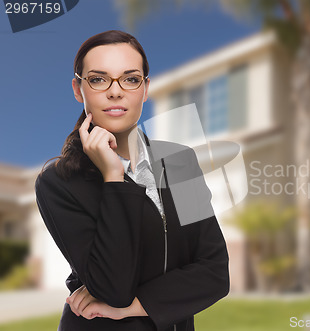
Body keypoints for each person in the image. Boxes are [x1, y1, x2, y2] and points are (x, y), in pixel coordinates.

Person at [34, 30, 230, 331]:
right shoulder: (58, 182)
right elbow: (113, 287)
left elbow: (216, 273)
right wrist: (114, 178)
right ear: (78, 89)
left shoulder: (181, 162)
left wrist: (132, 308)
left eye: (130, 78)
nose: (115, 92)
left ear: (145, 88)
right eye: (98, 79)